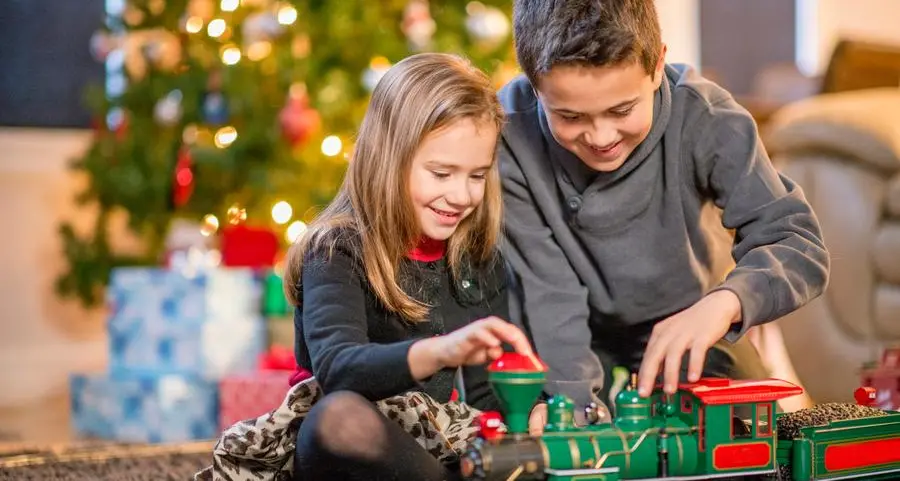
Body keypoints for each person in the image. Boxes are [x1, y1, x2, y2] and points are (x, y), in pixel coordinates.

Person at [498, 0, 830, 411]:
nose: (601, 137)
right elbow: (548, 291)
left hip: (694, 325)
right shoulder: (509, 132)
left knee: (752, 435)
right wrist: (578, 412)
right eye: (569, 116)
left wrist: (725, 302)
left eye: (622, 110)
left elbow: (798, 245)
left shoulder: (708, 117)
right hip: (567, 338)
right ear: (533, 86)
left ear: (657, 66)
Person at [282, 52, 539, 481]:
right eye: (441, 174)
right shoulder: (335, 250)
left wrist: (527, 417)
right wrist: (443, 350)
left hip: (436, 453)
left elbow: (482, 398)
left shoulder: (476, 258)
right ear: (388, 158)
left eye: (476, 176)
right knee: (338, 417)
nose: (461, 195)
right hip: (352, 453)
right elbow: (338, 369)